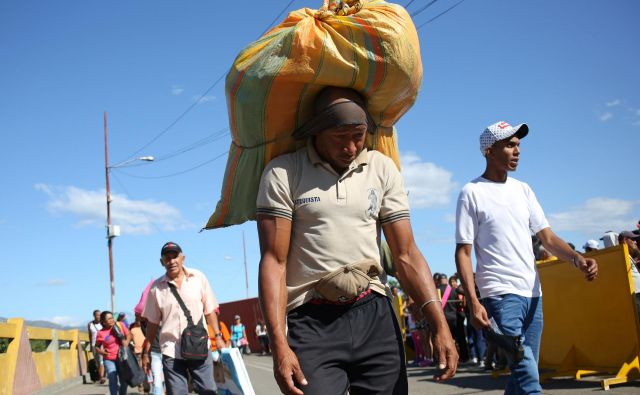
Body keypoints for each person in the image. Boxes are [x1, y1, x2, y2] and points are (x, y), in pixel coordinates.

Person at [256, 87, 457, 395]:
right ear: (316, 130)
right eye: (339, 137)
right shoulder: (284, 172)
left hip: (374, 315)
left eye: (358, 136)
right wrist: (279, 343)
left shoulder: (381, 168)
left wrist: (439, 323)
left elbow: (406, 254)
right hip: (310, 321)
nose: (350, 147)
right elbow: (274, 261)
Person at [455, 121, 598, 394]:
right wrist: (473, 301)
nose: (517, 151)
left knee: (521, 378)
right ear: (489, 150)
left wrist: (578, 260)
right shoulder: (471, 192)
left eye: (519, 145)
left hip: (533, 295)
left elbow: (549, 239)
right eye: (509, 145)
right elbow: (463, 252)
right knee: (529, 376)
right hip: (499, 295)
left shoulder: (524, 190)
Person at [141, 241, 226, 395]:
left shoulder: (198, 277)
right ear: (162, 262)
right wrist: (147, 351)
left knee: (209, 391)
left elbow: (210, 310)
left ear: (183, 258)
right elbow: (152, 323)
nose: (172, 261)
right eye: (167, 258)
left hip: (199, 345)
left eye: (175, 256)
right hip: (171, 351)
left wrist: (218, 336)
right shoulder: (156, 288)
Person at [94, 311, 131, 395]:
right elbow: (97, 346)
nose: (111, 320)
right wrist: (102, 352)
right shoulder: (101, 333)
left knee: (123, 381)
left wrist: (126, 342)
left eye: (112, 318)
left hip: (122, 358)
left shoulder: (120, 325)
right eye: (109, 319)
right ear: (103, 322)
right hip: (109, 359)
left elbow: (128, 334)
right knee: (112, 377)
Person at [618, 231, 640, 314]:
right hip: (635, 294)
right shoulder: (621, 254)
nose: (635, 242)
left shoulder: (627, 254)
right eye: (633, 239)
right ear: (625, 240)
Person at [87, 309, 105, 384]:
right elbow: (90, 335)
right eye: (97, 315)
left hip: (102, 345)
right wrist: (91, 345)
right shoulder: (90, 324)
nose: (99, 316)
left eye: (100, 315)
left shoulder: (103, 323)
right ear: (94, 316)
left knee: (101, 361)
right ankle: (100, 375)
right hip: (94, 345)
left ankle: (101, 377)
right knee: (97, 362)